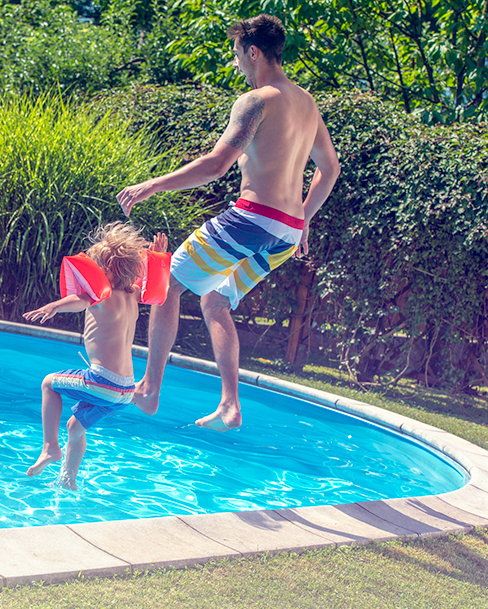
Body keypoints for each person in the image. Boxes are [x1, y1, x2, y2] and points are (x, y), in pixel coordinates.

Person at [115, 14, 340, 432]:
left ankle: (148, 390)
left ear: (253, 52)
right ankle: (230, 406)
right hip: (286, 232)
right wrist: (305, 216)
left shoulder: (255, 101)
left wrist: (151, 185)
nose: (236, 65)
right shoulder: (307, 103)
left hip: (253, 220)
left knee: (164, 286)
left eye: (238, 56)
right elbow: (330, 168)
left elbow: (217, 165)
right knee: (215, 301)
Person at [23, 222, 168, 490]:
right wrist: (157, 258)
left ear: (108, 268)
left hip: (102, 382)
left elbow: (79, 300)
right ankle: (68, 480)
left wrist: (54, 306)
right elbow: (149, 281)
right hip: (126, 391)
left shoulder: (101, 296)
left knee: (47, 383)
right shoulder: (133, 295)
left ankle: (50, 448)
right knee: (75, 426)